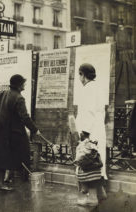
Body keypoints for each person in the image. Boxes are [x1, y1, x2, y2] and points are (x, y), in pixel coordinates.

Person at [0, 74, 40, 191]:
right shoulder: (19, 98)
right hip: (3, 128)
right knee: (3, 155)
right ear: (19, 85)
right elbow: (25, 117)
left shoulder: (3, 93)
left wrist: (3, 109)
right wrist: (35, 129)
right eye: (23, 84)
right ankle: (0, 184)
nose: (24, 86)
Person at [75, 63, 107, 206]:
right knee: (97, 160)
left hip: (90, 130)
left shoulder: (87, 89)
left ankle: (92, 198)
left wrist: (85, 133)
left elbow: (88, 112)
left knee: (89, 161)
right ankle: (101, 193)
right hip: (98, 128)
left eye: (79, 75)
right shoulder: (98, 87)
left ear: (83, 74)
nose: (79, 78)